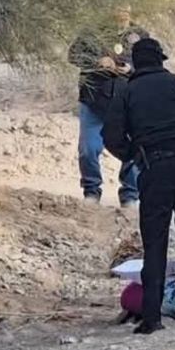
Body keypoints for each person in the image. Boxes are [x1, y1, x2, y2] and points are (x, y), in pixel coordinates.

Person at [103, 38, 175, 334]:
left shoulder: (126, 91)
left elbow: (111, 135)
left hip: (154, 169)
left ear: (137, 62)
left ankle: (152, 318)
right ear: (161, 60)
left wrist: (133, 154)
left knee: (155, 245)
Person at [67, 11, 148, 207]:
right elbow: (73, 55)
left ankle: (130, 195)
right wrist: (97, 62)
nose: (121, 11)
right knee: (88, 149)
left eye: (125, 7)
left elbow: (152, 63)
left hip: (127, 103)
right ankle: (91, 191)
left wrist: (130, 69)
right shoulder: (92, 32)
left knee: (133, 148)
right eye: (117, 6)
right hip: (94, 101)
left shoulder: (141, 35)